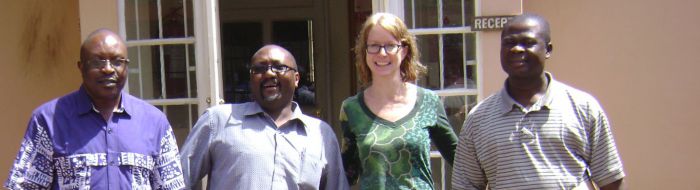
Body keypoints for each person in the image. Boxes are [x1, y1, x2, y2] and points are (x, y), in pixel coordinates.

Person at [452, 13, 625, 190]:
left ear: (548, 50)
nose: (516, 49)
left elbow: (610, 179)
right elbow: (466, 186)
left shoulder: (583, 107)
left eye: (528, 43)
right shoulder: (478, 119)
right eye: (509, 43)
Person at [4, 29, 185, 189]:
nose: (108, 69)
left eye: (117, 61)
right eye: (98, 62)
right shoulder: (49, 120)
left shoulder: (154, 122)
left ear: (126, 67)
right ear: (81, 67)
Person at [179, 44, 349, 190]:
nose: (269, 74)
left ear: (296, 78)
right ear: (251, 79)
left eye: (279, 67)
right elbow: (178, 181)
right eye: (259, 69)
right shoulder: (218, 121)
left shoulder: (320, 135)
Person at [340, 13, 458, 189]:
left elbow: (462, 162)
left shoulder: (429, 102)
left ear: (404, 50)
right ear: (365, 51)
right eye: (374, 46)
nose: (382, 53)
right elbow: (346, 173)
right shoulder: (352, 109)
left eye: (390, 46)